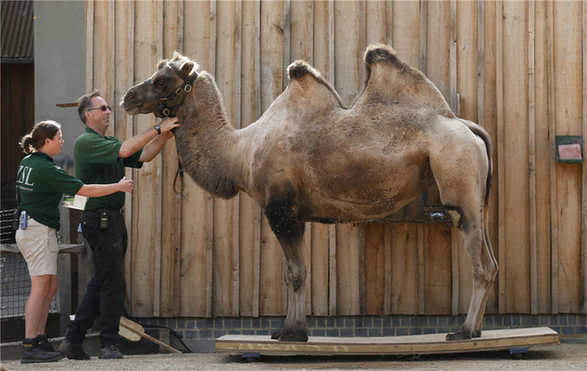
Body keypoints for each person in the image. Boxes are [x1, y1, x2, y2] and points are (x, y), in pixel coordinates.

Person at [58, 91, 180, 360]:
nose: (108, 112)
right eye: (102, 108)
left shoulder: (107, 142)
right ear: (88, 114)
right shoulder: (87, 142)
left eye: (108, 108)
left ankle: (73, 339)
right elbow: (127, 149)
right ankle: (109, 343)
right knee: (113, 284)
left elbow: (143, 156)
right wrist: (157, 127)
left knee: (101, 281)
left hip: (111, 219)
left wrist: (164, 137)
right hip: (100, 220)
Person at [15, 120, 134, 364]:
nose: (62, 141)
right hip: (38, 230)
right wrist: (119, 186)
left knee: (51, 285)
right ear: (46, 141)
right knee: (40, 288)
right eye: (58, 137)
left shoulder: (28, 162)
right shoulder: (46, 169)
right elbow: (85, 191)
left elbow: (69, 194)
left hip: (32, 228)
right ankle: (30, 345)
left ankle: (39, 339)